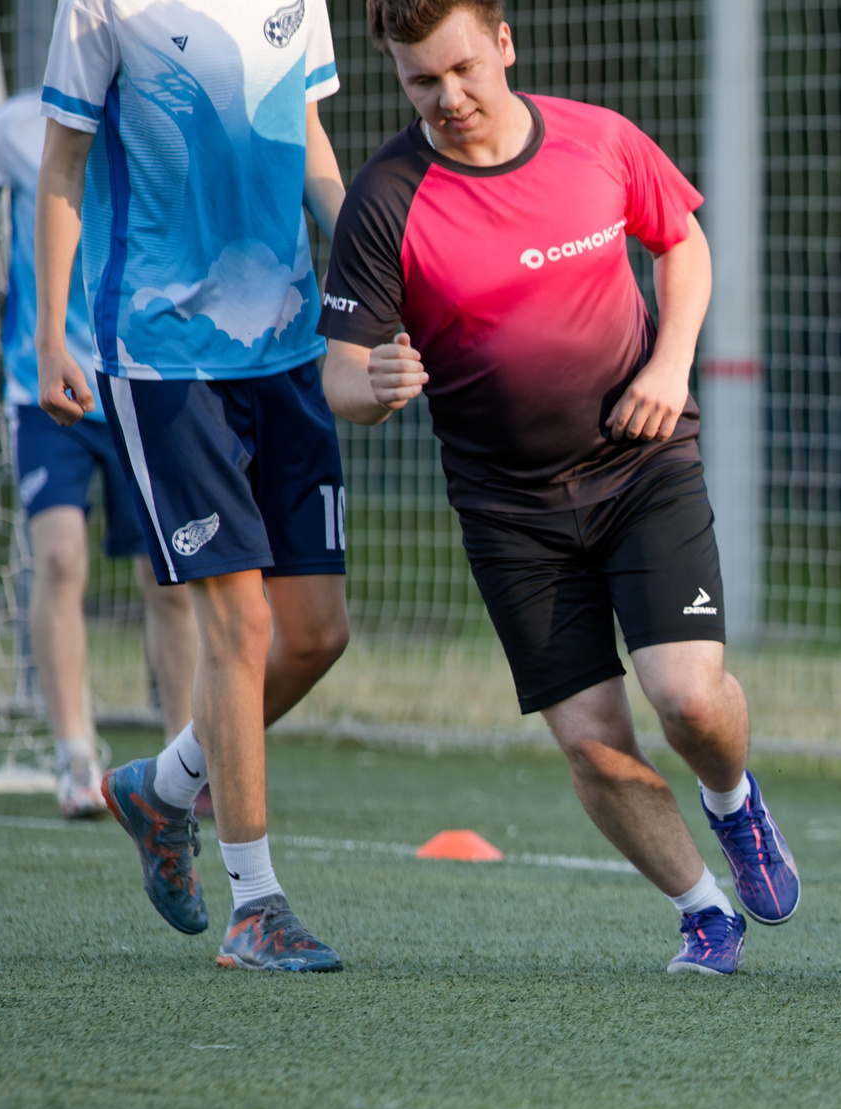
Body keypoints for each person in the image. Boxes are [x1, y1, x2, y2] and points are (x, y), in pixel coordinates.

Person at [317, 0, 798, 975]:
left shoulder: (599, 141)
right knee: (592, 743)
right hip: (510, 511)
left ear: (503, 44)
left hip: (639, 463)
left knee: (689, 701)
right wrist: (374, 387)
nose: (447, 97)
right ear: (396, 77)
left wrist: (670, 366)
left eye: (461, 69)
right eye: (421, 81)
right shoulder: (384, 198)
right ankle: (702, 911)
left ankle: (733, 801)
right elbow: (340, 378)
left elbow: (683, 242)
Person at [38, 0, 355, 970]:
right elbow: (63, 164)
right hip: (165, 352)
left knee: (316, 633)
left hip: (290, 345)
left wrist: (376, 275)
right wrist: (52, 330)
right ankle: (255, 906)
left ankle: (163, 786)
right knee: (241, 624)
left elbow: (310, 143)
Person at [0, 85, 194, 817]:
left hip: (143, 378)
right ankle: (75, 757)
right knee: (61, 556)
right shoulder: (12, 128)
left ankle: (188, 764)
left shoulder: (155, 118)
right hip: (43, 388)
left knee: (170, 580)